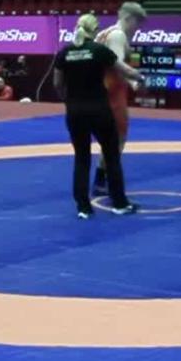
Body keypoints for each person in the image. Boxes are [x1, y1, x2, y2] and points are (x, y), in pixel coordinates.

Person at [53, 13, 145, 219]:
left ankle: (83, 208)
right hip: (99, 110)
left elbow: (57, 83)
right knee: (111, 156)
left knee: (81, 158)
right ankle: (119, 203)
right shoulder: (98, 50)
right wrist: (140, 77)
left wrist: (68, 100)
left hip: (75, 112)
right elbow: (123, 69)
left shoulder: (65, 52)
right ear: (94, 30)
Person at [92, 1, 147, 196]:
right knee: (118, 140)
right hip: (112, 94)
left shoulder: (104, 33)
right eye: (137, 24)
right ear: (128, 18)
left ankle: (101, 180)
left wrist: (132, 83)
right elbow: (116, 64)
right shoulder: (118, 35)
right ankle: (109, 182)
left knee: (110, 139)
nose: (136, 30)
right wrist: (137, 77)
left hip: (102, 91)